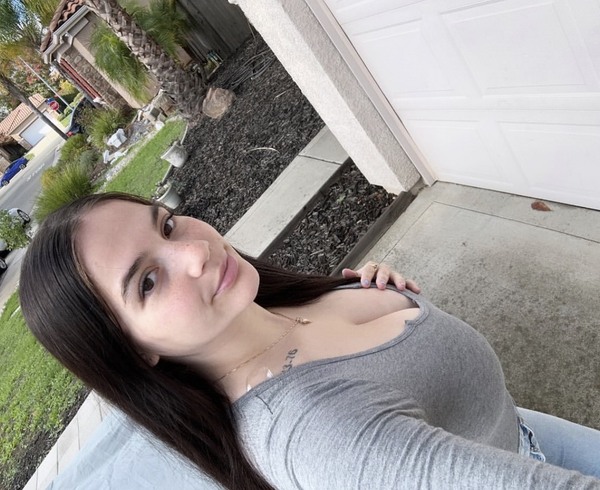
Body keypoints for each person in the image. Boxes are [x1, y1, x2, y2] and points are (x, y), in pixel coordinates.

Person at [20, 192, 600, 489]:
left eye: (167, 224)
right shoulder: (314, 431)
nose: (195, 252)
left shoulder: (267, 304)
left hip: (512, 429)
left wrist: (380, 299)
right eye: (148, 282)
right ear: (132, 351)